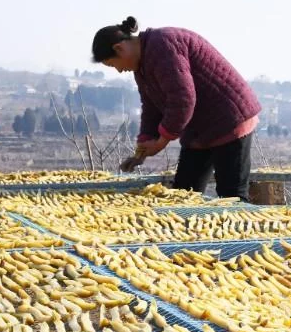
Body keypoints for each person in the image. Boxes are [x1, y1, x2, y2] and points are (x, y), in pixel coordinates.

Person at [92, 17, 261, 200]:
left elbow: (183, 100)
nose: (118, 70)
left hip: (229, 118)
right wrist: (145, 142)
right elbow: (151, 107)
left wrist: (161, 142)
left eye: (112, 64)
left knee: (232, 196)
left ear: (119, 48)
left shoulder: (162, 45)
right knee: (184, 193)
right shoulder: (141, 67)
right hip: (199, 128)